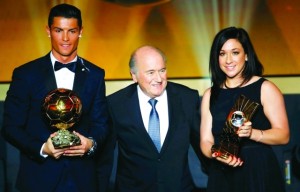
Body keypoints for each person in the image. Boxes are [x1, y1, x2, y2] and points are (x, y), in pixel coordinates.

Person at [1, 3, 111, 192]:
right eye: (59, 30)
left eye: (72, 31)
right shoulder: (25, 74)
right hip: (38, 179)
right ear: (48, 31)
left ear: (81, 32)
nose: (65, 38)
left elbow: (102, 124)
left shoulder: (95, 74)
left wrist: (91, 144)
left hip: (83, 180)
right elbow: (10, 127)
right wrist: (43, 148)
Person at [200, 26, 290, 192]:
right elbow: (206, 141)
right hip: (222, 173)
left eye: (235, 52)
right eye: (222, 53)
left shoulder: (265, 88)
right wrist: (219, 154)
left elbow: (283, 135)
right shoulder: (210, 94)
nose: (228, 60)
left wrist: (253, 133)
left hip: (258, 172)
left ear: (247, 55)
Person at [106, 45, 205, 191]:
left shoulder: (187, 98)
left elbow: (202, 145)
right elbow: (104, 155)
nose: (158, 78)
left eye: (162, 70)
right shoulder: (116, 104)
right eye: (150, 72)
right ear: (134, 75)